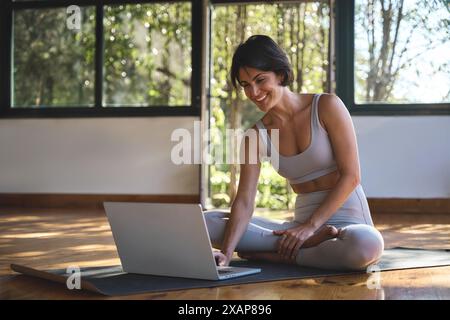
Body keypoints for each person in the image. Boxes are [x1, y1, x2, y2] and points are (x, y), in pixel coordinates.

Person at [204, 35, 384, 271]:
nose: (254, 92)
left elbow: (352, 176)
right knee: (206, 223)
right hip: (298, 227)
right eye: (246, 85)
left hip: (348, 222)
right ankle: (303, 246)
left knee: (366, 246)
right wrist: (226, 253)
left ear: (280, 74)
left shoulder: (327, 106)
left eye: (260, 80)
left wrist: (310, 226)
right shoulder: (255, 135)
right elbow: (245, 200)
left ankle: (281, 255)